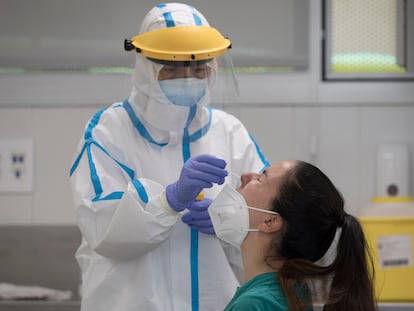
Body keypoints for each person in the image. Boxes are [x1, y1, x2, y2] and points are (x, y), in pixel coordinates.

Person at [69, 3, 269, 311]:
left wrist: (233, 220)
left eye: (199, 67)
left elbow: (268, 213)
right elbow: (102, 225)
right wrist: (169, 201)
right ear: (145, 67)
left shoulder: (228, 132)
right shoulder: (109, 131)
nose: (188, 77)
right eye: (173, 68)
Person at [208, 160, 377, 311]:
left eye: (261, 178)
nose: (245, 176)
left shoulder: (254, 304)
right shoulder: (293, 291)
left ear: (270, 220)